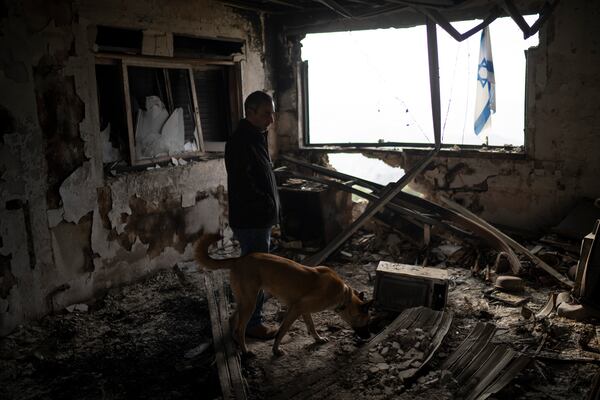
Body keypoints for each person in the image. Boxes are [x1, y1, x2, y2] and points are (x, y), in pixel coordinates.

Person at [224, 90, 280, 340]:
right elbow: (244, 185)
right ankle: (253, 324)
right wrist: (266, 206)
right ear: (251, 112)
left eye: (273, 113)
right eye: (267, 113)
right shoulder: (241, 141)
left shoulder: (256, 137)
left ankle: (243, 317)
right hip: (252, 220)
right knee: (256, 276)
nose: (272, 119)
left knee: (253, 273)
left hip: (258, 218)